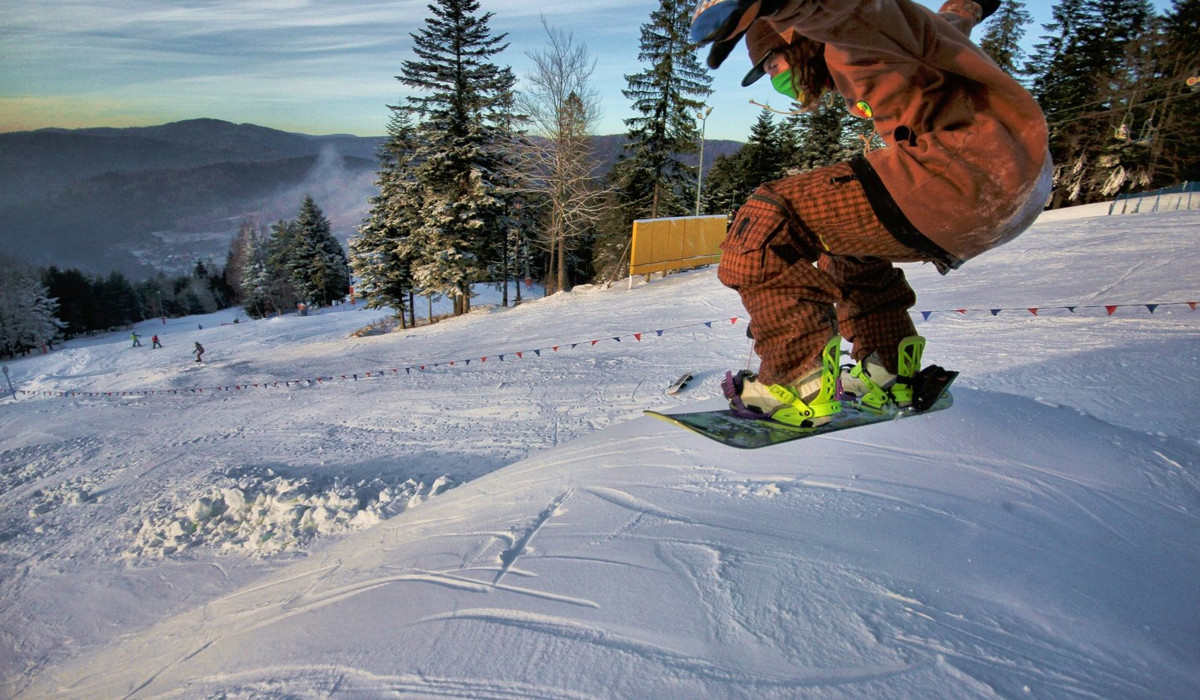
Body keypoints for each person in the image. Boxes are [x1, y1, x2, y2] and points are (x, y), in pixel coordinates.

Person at [690, 0, 1052, 427]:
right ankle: (888, 371)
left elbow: (851, 9)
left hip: (963, 173)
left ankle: (794, 383)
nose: (776, 81)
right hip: (1007, 190)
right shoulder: (889, 41)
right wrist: (968, 5)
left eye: (771, 67)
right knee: (843, 244)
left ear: (794, 40)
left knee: (769, 217)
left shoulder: (850, 37)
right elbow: (945, 25)